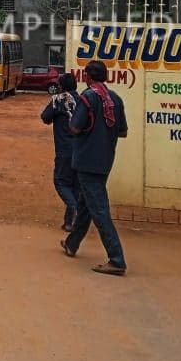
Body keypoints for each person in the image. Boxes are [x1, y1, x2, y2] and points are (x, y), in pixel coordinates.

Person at [60, 60, 128, 276]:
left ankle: (116, 259)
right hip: (105, 159)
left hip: (86, 160)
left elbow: (75, 126)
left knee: (99, 210)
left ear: (88, 76)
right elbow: (123, 131)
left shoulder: (88, 97)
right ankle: (72, 243)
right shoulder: (115, 99)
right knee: (86, 204)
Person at [40, 73, 80, 232]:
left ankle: (74, 208)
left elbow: (45, 117)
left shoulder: (59, 99)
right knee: (75, 186)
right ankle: (69, 223)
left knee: (61, 182)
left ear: (61, 86)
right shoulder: (83, 99)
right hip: (81, 149)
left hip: (64, 149)